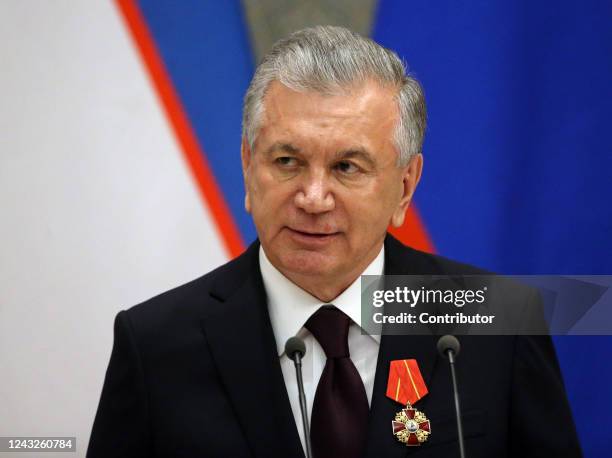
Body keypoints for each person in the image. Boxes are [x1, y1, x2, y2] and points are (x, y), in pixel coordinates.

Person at [87, 26, 581, 457]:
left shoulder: (498, 324)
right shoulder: (155, 345)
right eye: (287, 161)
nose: (313, 197)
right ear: (247, 166)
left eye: (347, 167)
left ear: (404, 187)